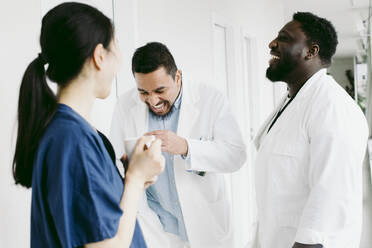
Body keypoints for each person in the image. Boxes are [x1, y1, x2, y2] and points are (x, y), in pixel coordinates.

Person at [12, 3, 165, 248]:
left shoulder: (71, 133)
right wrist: (135, 179)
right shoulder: (71, 139)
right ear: (99, 56)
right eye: (116, 48)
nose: (120, 60)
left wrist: (128, 181)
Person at [110, 42, 246, 248]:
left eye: (160, 90)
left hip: (204, 222)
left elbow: (236, 155)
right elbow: (116, 160)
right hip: (156, 226)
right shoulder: (125, 104)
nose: (153, 100)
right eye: (143, 93)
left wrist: (186, 147)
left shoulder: (210, 99)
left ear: (178, 77)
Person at [254, 12, 369, 248]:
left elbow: (330, 196)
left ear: (311, 51)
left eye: (284, 38)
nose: (272, 43)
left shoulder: (332, 107)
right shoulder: (292, 100)